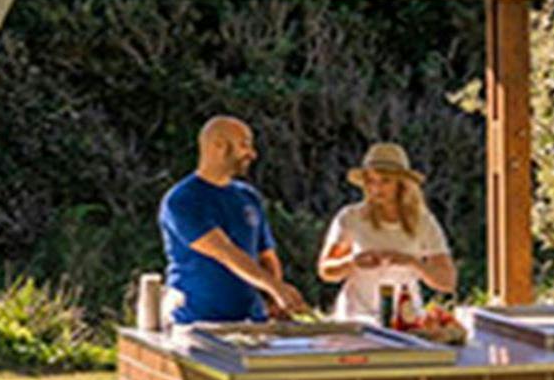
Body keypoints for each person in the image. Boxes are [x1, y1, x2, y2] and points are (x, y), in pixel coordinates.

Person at [158, 115, 309, 324]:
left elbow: (266, 255)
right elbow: (225, 252)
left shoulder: (248, 196)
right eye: (244, 145)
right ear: (218, 145)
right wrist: (275, 287)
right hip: (197, 321)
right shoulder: (183, 200)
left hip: (251, 320)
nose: (252, 154)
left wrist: (275, 300)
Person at [318, 142, 458, 321]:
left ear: (401, 184)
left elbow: (447, 282)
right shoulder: (351, 217)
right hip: (356, 317)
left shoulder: (422, 221)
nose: (376, 188)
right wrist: (353, 262)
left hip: (405, 318)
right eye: (370, 181)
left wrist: (412, 262)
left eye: (385, 181)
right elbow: (325, 270)